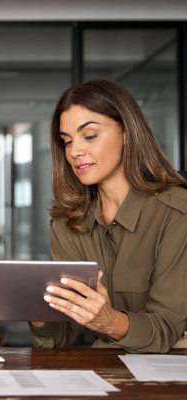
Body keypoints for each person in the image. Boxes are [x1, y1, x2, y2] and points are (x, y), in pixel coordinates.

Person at [30, 78, 187, 353]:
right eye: (67, 141)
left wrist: (111, 322)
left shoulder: (177, 213)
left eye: (89, 136)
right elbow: (62, 333)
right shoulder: (68, 224)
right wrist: (37, 312)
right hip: (105, 366)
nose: (75, 151)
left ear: (127, 133)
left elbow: (167, 328)